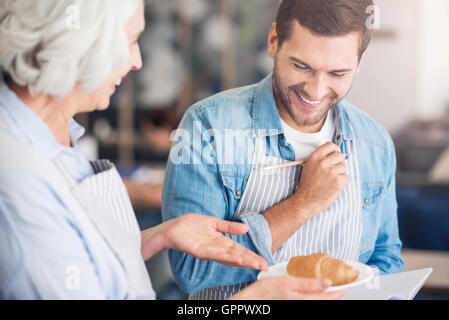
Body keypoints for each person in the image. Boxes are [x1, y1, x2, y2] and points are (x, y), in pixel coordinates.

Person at [0, 0, 344, 300]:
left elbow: (84, 264)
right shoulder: (18, 182)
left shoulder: (51, 134)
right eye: (131, 41)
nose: (137, 62)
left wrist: (160, 235)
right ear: (77, 43)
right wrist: (256, 300)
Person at [162, 0, 404, 300]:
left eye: (338, 74)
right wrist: (302, 204)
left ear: (360, 61)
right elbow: (191, 270)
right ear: (274, 41)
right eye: (301, 66)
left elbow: (386, 258)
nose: (315, 91)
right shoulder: (208, 126)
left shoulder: (375, 143)